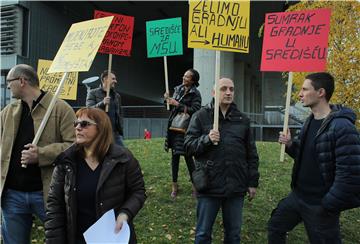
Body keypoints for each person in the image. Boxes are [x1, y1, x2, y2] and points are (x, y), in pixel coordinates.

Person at [268, 72, 360, 244]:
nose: (300, 94)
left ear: (320, 92)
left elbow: (350, 176)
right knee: (276, 226)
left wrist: (327, 205)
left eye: (304, 89)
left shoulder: (342, 127)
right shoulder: (309, 121)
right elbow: (308, 156)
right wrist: (289, 145)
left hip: (320, 205)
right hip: (298, 197)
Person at [45, 107, 146, 244]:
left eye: (84, 124)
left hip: (113, 239)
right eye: (76, 123)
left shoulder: (123, 158)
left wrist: (125, 213)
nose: (78, 128)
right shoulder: (66, 161)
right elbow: (55, 206)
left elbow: (138, 191)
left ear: (101, 128)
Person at [1, 64, 76, 244]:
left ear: (22, 81)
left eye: (9, 82)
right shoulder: (8, 112)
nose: (7, 86)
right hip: (12, 195)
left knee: (62, 239)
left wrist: (41, 155)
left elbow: (75, 145)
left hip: (48, 193)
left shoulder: (60, 109)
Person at [185, 78, 260, 243]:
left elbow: (251, 154)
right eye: (223, 89)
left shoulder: (242, 120)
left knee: (233, 235)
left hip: (236, 186)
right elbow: (188, 147)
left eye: (231, 89)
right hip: (209, 185)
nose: (228, 92)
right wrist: (206, 139)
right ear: (213, 92)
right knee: (203, 234)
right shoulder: (201, 116)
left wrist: (252, 182)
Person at [164, 68, 202, 198]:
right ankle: (174, 185)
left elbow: (196, 110)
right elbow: (170, 107)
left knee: (188, 158)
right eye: (184, 75)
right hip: (174, 128)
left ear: (193, 80)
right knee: (174, 158)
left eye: (187, 77)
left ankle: (195, 185)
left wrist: (178, 104)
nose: (183, 78)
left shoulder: (196, 94)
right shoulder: (178, 89)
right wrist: (167, 100)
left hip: (186, 130)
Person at [86, 70, 124, 146]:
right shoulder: (93, 93)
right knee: (102, 156)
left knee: (121, 155)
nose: (115, 81)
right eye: (113, 79)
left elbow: (120, 113)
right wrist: (102, 103)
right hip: (100, 133)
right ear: (105, 79)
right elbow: (89, 110)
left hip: (115, 134)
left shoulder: (117, 96)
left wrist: (120, 129)